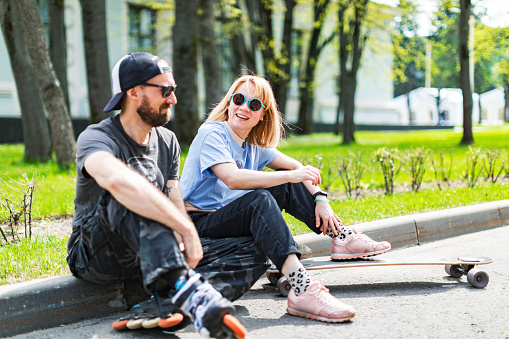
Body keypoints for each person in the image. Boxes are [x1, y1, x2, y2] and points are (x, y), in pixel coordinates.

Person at [66, 52, 254, 338]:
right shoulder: (96, 137)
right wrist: (183, 228)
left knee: (252, 247)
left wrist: (186, 234)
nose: (173, 99)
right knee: (130, 191)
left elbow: (174, 195)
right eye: (165, 91)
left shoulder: (167, 140)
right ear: (133, 92)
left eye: (174, 90)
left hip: (154, 249)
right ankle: (190, 293)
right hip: (97, 254)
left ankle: (170, 301)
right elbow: (116, 181)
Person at [180, 74, 392, 323]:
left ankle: (340, 236)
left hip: (225, 220)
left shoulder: (253, 145)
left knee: (286, 183)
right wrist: (292, 176)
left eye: (254, 104)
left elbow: (297, 168)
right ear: (229, 103)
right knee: (267, 193)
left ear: (263, 115)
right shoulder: (211, 133)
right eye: (239, 99)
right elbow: (232, 178)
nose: (244, 108)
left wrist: (320, 199)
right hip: (198, 223)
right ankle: (302, 287)